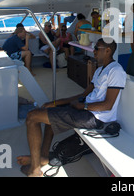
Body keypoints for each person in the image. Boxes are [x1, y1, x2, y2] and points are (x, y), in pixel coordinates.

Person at [17, 38, 126, 177]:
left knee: (32, 117)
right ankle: (43, 157)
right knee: (50, 111)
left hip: (96, 118)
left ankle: (34, 169)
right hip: (87, 110)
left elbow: (108, 104)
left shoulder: (116, 71)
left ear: (108, 50)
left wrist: (83, 106)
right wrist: (57, 102)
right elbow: (83, 94)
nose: (94, 51)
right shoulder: (99, 70)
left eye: (97, 48)